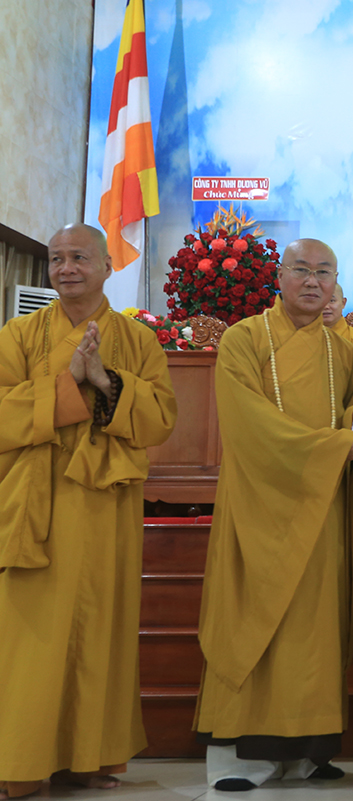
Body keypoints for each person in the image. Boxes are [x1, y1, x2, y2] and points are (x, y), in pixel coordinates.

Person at [193, 239, 353, 791]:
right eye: (301, 269)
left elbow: (345, 417)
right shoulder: (244, 339)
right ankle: (239, 755)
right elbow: (246, 422)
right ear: (280, 277)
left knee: (313, 630)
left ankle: (305, 750)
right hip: (258, 505)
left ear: (336, 283)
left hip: (319, 509)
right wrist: (333, 445)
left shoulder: (342, 352)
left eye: (324, 271)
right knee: (253, 620)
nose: (313, 280)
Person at [0, 224, 177, 800]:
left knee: (100, 629)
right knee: (30, 637)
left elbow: (161, 419)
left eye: (79, 257)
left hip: (105, 506)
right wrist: (67, 384)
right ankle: (19, 762)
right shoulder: (19, 334)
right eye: (57, 259)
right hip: (38, 501)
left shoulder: (138, 340)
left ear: (107, 265)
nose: (66, 268)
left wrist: (107, 380)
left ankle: (88, 756)